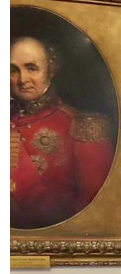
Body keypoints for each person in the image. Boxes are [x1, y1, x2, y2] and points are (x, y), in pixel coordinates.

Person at [10, 36, 115, 229]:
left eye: (31, 68)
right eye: (13, 70)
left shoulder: (81, 125)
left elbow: (92, 208)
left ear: (49, 71)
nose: (22, 79)